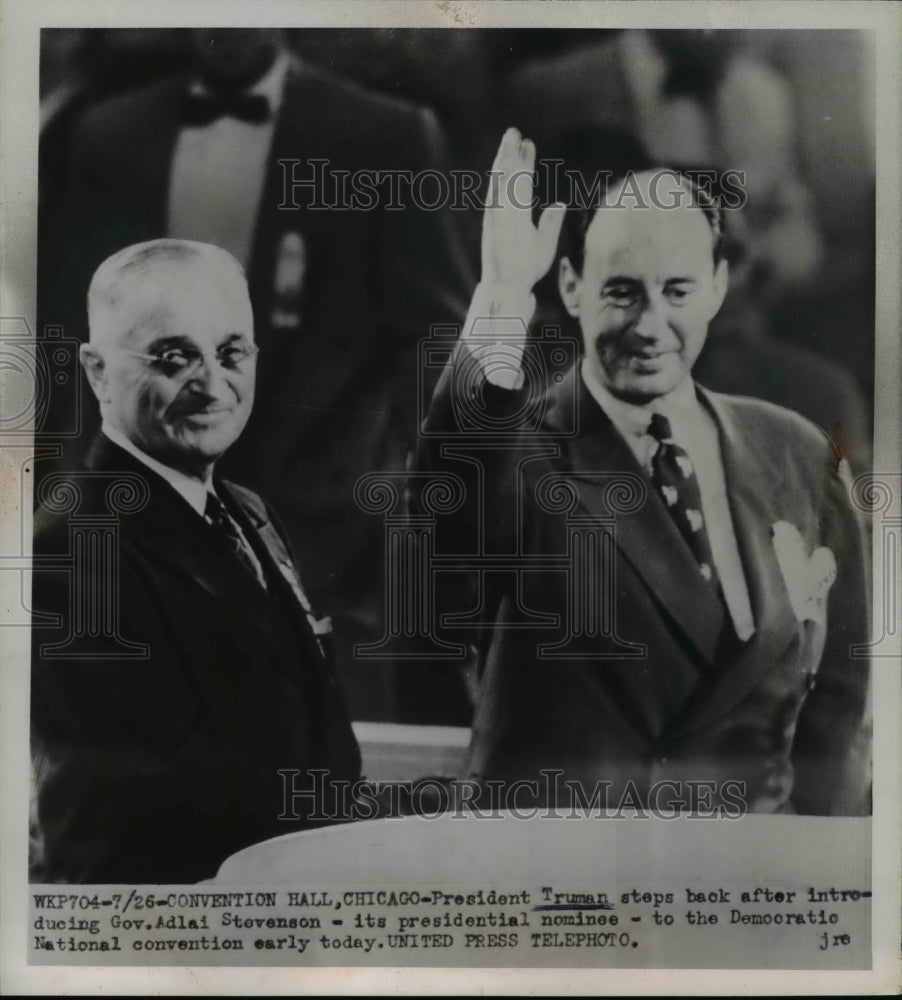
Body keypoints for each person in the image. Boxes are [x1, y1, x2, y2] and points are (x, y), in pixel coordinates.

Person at [412, 129, 871, 816]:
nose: (651, 325)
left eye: (677, 291)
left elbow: (838, 693)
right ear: (570, 287)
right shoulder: (521, 450)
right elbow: (443, 514)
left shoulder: (796, 451)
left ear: (718, 286)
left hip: (744, 884)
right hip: (560, 880)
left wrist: (820, 860)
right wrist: (504, 295)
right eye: (622, 292)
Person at [39, 28, 474, 720]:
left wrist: (394, 484)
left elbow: (440, 338)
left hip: (329, 527)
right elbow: (69, 330)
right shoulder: (110, 134)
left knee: (331, 765)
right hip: (144, 516)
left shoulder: (382, 134)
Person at [30, 240, 361, 884]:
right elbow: (127, 804)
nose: (212, 384)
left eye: (231, 352)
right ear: (97, 371)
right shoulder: (70, 546)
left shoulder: (247, 509)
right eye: (174, 356)